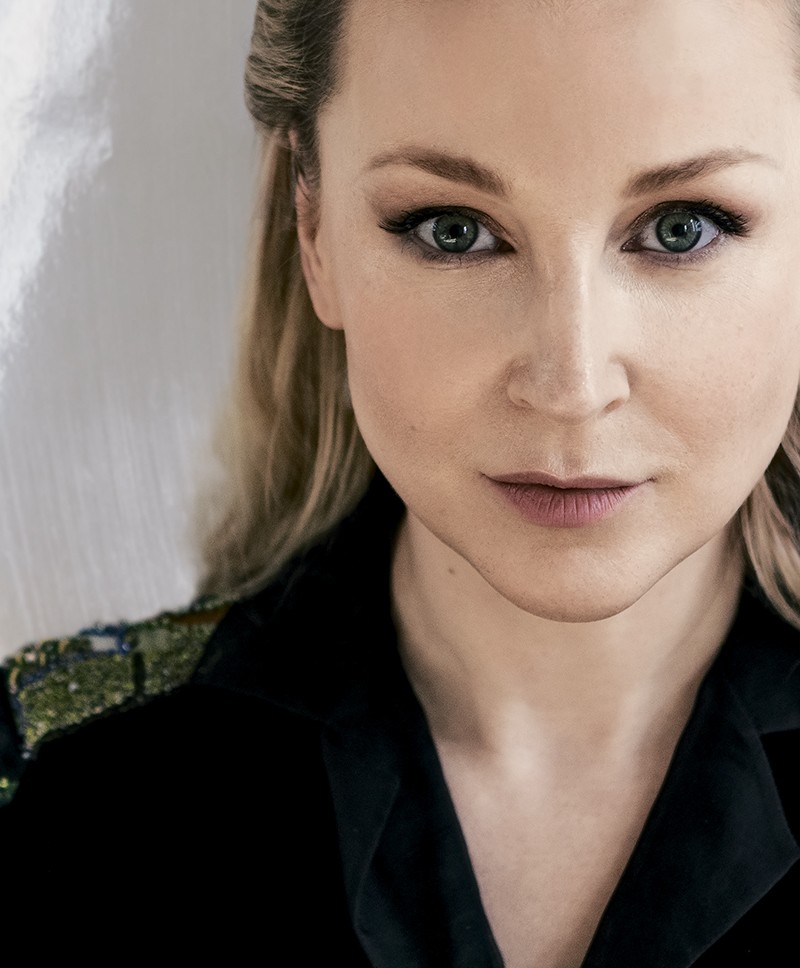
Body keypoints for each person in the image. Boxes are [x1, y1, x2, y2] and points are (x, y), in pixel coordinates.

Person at [3, 0, 800, 964]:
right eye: (455, 231)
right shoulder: (66, 789)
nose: (572, 386)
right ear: (313, 230)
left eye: (681, 229)